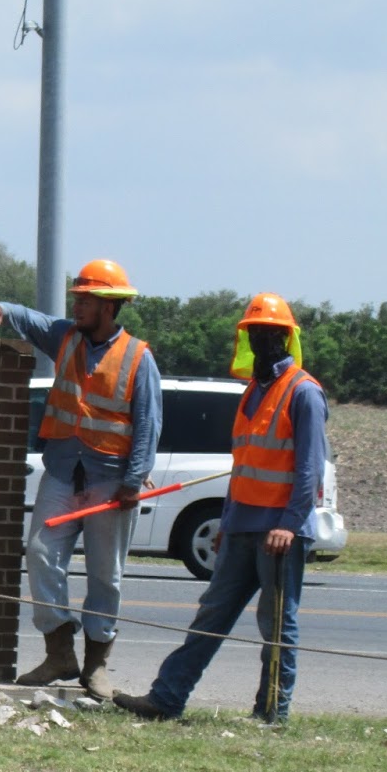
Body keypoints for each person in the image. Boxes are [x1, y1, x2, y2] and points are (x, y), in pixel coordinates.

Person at [114, 293, 327, 724]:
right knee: (211, 614)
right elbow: (245, 466)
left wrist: (288, 524)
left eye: (271, 334)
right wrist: (228, 522)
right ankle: (166, 699)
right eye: (255, 333)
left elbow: (309, 470)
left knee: (277, 626)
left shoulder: (304, 393)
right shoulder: (253, 392)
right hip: (243, 525)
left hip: (280, 534)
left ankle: (271, 714)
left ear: (287, 339)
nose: (262, 341)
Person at [0, 259, 162, 700]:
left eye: (86, 298)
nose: (77, 305)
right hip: (63, 469)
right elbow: (29, 318)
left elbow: (148, 424)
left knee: (105, 575)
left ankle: (96, 667)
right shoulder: (66, 337)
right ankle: (60, 651)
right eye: (76, 297)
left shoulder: (139, 357)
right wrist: (0, 308)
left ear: (109, 306)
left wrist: (134, 481)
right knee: (40, 552)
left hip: (111, 480)